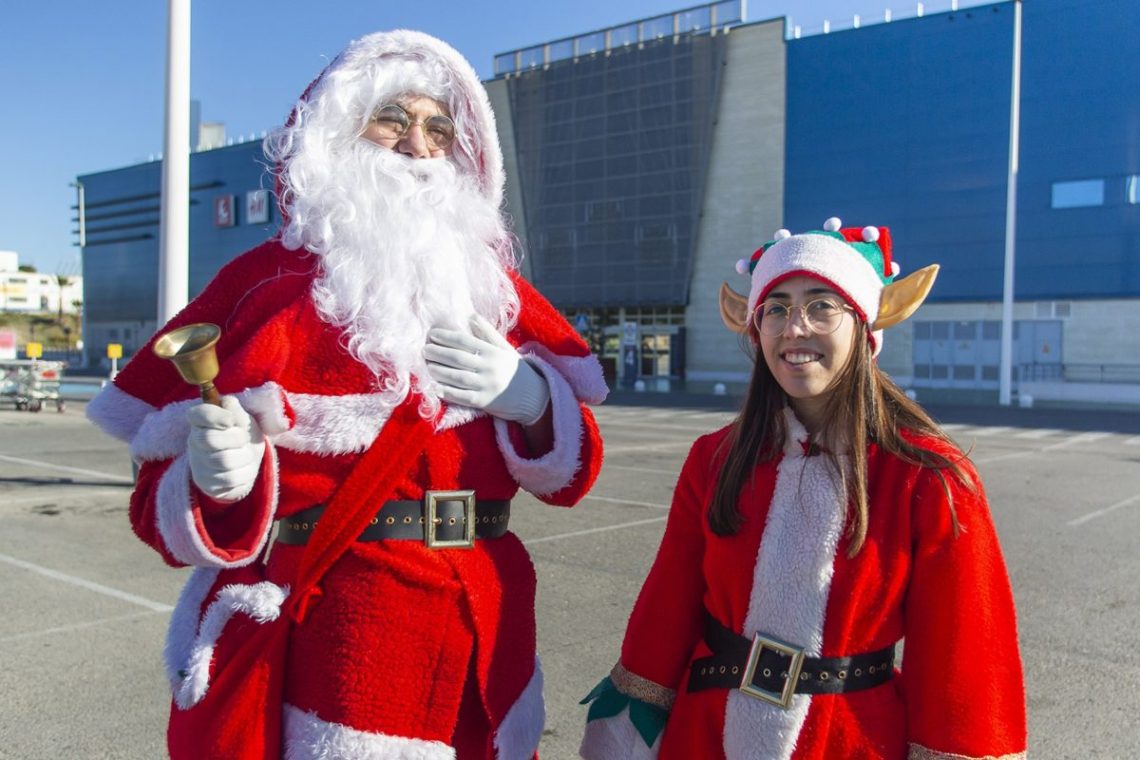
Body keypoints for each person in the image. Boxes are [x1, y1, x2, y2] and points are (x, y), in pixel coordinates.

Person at [87, 29, 607, 759]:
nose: (420, 144)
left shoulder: (496, 293)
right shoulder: (262, 286)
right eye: (393, 117)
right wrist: (214, 484)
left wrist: (535, 401)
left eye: (439, 126)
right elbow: (156, 510)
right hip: (343, 648)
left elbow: (573, 476)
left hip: (489, 634)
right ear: (336, 130)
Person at [580, 218, 1026, 759]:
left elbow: (965, 658)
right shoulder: (716, 458)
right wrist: (628, 729)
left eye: (821, 305)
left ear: (864, 327)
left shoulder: (928, 476)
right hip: (706, 732)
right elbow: (667, 606)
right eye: (776, 308)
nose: (795, 328)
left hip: (848, 739)